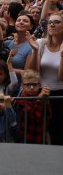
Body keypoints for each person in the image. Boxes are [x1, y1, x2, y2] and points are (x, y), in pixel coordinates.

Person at [25, 11, 63, 145]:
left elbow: (61, 77)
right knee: (37, 132)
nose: (52, 25)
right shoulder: (41, 43)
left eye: (56, 22)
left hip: (59, 96)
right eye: (50, 22)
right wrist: (35, 51)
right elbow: (32, 72)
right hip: (41, 94)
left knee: (58, 134)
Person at [15, 70, 51, 144]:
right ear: (22, 86)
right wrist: (39, 99)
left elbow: (48, 115)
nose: (31, 87)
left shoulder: (44, 96)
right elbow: (33, 117)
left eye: (34, 84)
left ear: (40, 85)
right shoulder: (22, 100)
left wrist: (44, 99)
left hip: (41, 136)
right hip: (27, 137)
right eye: (28, 85)